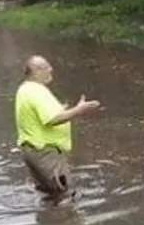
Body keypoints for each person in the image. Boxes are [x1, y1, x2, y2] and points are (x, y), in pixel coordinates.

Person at [14, 55, 102, 205]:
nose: (51, 69)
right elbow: (53, 119)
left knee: (48, 194)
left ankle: (46, 222)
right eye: (47, 67)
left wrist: (64, 109)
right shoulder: (37, 92)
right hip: (46, 152)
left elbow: (41, 116)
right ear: (36, 71)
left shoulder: (25, 89)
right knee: (66, 194)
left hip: (33, 150)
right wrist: (80, 110)